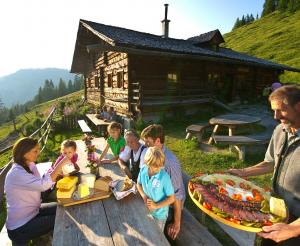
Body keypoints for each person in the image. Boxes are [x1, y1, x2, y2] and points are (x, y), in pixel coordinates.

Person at [229, 85, 300, 245]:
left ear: (299, 106)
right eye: (273, 110)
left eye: (281, 110)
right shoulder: (280, 130)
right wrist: (242, 172)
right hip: (273, 211)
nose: (275, 116)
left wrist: (293, 229)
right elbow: (270, 163)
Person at [4, 137, 71, 245]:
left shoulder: (30, 165)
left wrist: (55, 176)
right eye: (35, 151)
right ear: (24, 153)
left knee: (63, 206)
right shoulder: (16, 173)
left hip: (33, 212)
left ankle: (51, 237)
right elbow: (43, 185)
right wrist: (62, 163)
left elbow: (41, 182)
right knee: (61, 218)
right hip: (20, 226)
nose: (38, 153)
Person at [141, 124, 186, 240]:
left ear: (157, 141)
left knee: (153, 234)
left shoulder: (170, 162)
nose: (145, 146)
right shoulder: (152, 154)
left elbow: (177, 195)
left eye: (147, 142)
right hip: (154, 199)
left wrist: (177, 223)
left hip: (168, 207)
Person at [137, 147, 175, 231]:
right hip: (146, 210)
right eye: (155, 166)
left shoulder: (164, 177)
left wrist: (156, 206)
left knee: (157, 236)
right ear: (147, 163)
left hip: (159, 215)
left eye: (160, 165)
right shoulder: (143, 170)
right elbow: (138, 184)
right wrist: (144, 196)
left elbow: (172, 198)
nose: (158, 168)